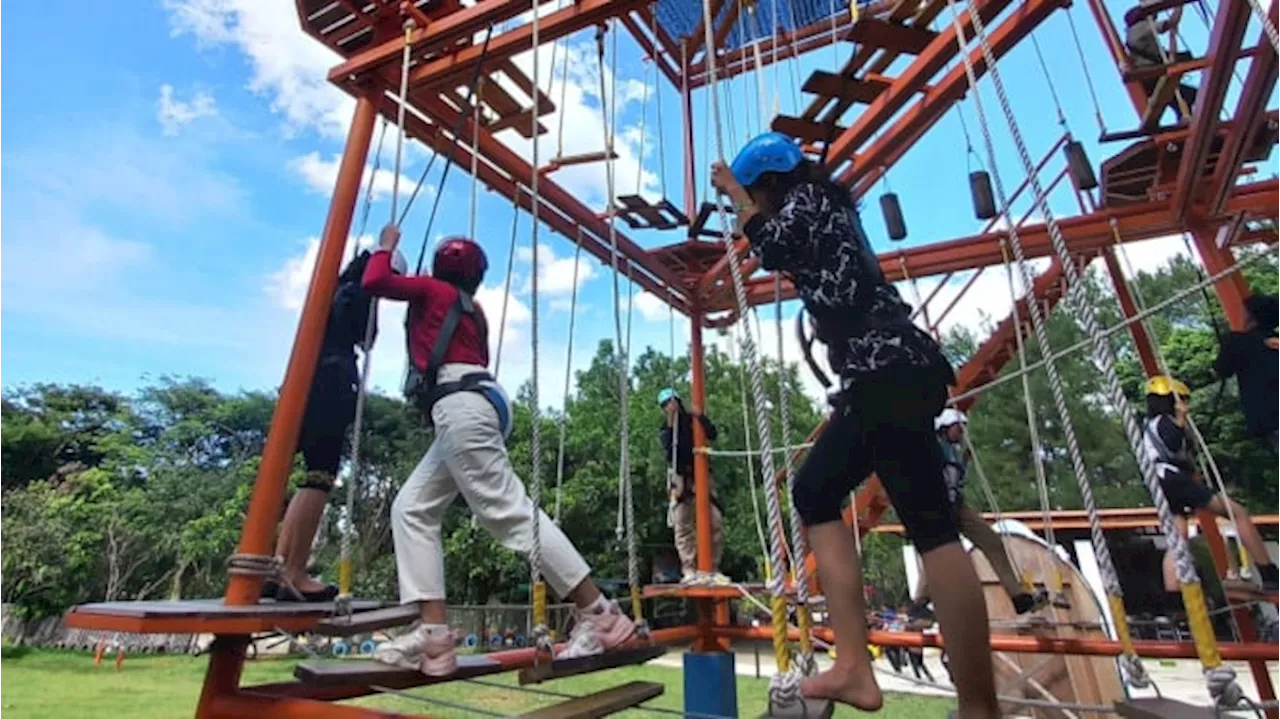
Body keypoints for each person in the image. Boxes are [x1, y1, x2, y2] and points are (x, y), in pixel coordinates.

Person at [711, 132, 998, 717]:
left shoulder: (805, 207)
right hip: (897, 369)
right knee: (911, 520)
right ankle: (947, 694)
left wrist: (734, 196)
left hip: (883, 371)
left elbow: (771, 245)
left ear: (769, 184)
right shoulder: (829, 206)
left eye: (756, 194)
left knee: (839, 499)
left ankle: (874, 675)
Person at [365, 224, 635, 676]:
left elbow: (374, 281)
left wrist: (386, 247)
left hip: (460, 406)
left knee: (508, 511)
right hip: (477, 403)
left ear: (438, 267)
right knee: (411, 508)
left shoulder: (432, 291)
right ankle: (433, 636)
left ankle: (599, 613)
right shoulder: (473, 310)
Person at [267, 249, 396, 602]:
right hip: (329, 384)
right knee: (319, 479)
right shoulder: (357, 294)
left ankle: (280, 565)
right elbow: (367, 339)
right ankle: (293, 570)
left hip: (305, 381)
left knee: (309, 478)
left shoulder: (333, 289)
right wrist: (376, 297)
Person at [1140, 375, 1279, 592]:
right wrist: (1181, 418)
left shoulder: (1148, 425)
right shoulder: (1168, 422)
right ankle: (1268, 572)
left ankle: (1176, 594)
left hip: (1161, 482)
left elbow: (1169, 453)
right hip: (1174, 480)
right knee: (1237, 513)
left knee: (1179, 536)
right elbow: (1173, 441)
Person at [909, 409, 1048, 619]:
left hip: (955, 504)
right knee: (939, 551)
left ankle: (1018, 596)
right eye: (958, 428)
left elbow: (955, 478)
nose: (961, 433)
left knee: (991, 541)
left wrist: (964, 462)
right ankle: (919, 603)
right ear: (946, 427)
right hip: (938, 506)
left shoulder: (951, 451)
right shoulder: (933, 446)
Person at [657, 388, 727, 585]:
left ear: (678, 401)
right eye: (665, 405)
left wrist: (701, 417)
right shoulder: (666, 430)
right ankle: (689, 568)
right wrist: (671, 428)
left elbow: (712, 434)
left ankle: (713, 567)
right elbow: (671, 455)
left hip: (702, 474)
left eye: (671, 402)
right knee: (682, 524)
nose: (670, 407)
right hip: (680, 476)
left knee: (715, 521)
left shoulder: (692, 420)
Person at [1214, 294, 1280, 456]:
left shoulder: (1238, 342)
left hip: (1271, 417)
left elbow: (1222, 369)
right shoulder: (1274, 341)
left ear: (1251, 317)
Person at [1123, 0, 1196, 123]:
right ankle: (1185, 121)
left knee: (1184, 97)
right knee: (1190, 95)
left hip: (1149, 78)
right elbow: (1171, 23)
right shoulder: (1141, 27)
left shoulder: (1132, 35)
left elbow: (1165, 55)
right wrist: (1179, 6)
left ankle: (1184, 120)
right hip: (1153, 77)